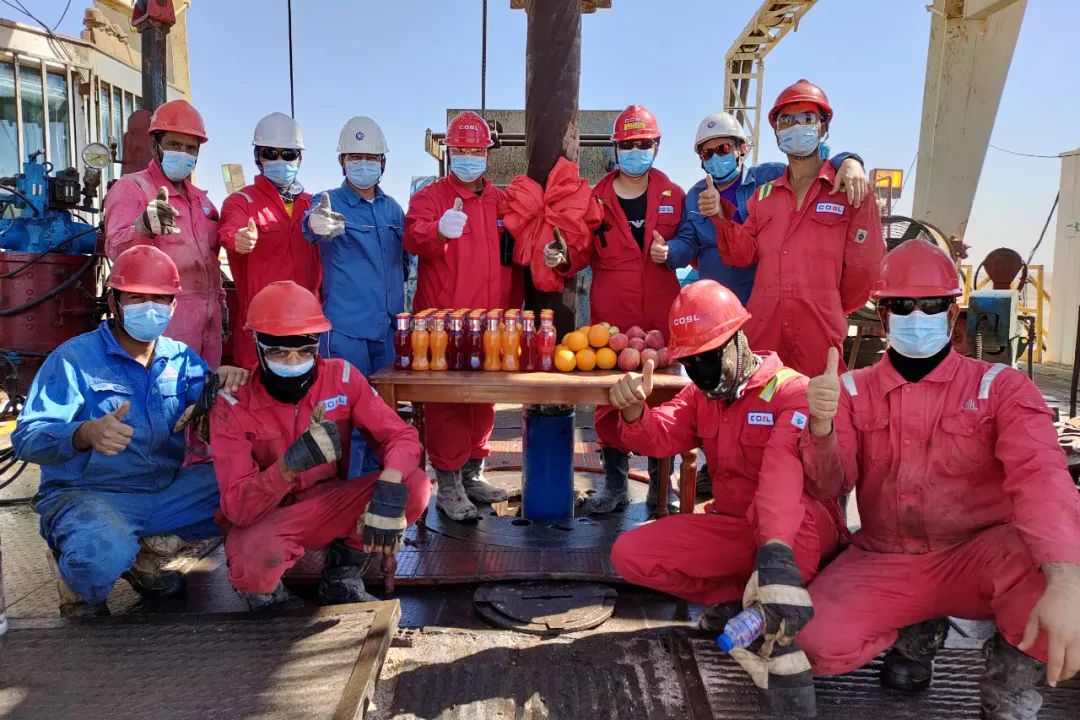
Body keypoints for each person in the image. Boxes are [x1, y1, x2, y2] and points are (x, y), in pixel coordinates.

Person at [798, 239, 1080, 719]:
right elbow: (828, 487)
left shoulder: (1001, 388)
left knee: (1057, 586)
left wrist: (1067, 581)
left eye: (931, 305)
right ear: (882, 317)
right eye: (901, 305)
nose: (917, 316)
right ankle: (918, 630)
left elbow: (1042, 478)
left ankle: (1009, 684)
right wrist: (821, 429)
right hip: (887, 556)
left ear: (952, 315)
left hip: (981, 556)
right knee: (811, 643)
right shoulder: (850, 390)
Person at [608, 280, 840, 715]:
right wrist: (635, 412)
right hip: (735, 528)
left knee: (817, 628)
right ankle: (742, 600)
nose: (700, 370)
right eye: (690, 362)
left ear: (738, 340)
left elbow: (801, 481)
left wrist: (823, 429)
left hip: (795, 533)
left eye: (708, 357)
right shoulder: (704, 396)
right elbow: (661, 434)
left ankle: (775, 606)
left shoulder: (792, 392)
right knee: (630, 554)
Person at [11, 246, 247, 616]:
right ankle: (76, 567)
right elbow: (26, 438)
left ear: (173, 306)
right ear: (114, 302)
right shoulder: (74, 359)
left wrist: (227, 385)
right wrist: (83, 433)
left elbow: (215, 410)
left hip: (165, 490)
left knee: (250, 491)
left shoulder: (181, 359)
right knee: (96, 561)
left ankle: (146, 553)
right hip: (91, 495)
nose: (149, 308)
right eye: (136, 297)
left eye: (160, 299)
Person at [661, 111, 868, 499]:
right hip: (718, 318)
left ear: (742, 150)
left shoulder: (767, 179)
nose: (716, 158)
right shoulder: (694, 196)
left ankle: (817, 481)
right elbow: (688, 242)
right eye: (707, 153)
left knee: (798, 393)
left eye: (723, 148)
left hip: (764, 305)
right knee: (727, 394)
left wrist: (849, 160)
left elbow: (815, 165)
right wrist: (669, 252)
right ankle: (719, 468)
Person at [209, 281, 430, 611]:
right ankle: (266, 595)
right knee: (251, 564)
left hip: (331, 501)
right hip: (272, 513)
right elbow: (237, 508)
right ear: (257, 345)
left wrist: (389, 482)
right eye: (279, 351)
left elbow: (401, 437)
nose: (293, 360)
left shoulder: (342, 378)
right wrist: (287, 468)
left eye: (305, 350)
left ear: (318, 344)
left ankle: (342, 574)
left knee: (413, 486)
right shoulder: (232, 403)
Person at [544, 104, 684, 515]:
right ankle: (615, 483)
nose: (636, 152)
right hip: (612, 316)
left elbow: (692, 240)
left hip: (662, 314)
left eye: (643, 144)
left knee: (664, 397)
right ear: (615, 148)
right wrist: (562, 258)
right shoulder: (596, 198)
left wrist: (674, 251)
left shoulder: (675, 195)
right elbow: (580, 251)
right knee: (610, 398)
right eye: (628, 145)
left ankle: (663, 485)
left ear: (656, 146)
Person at [701, 80, 885, 378]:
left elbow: (866, 269)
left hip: (819, 336)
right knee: (762, 403)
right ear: (776, 131)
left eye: (807, 118)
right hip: (764, 336)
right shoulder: (765, 196)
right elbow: (741, 254)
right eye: (787, 121)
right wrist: (720, 216)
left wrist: (826, 302)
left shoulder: (848, 192)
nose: (796, 127)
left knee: (818, 404)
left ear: (823, 127)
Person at [403, 111, 519, 521]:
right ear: (450, 153)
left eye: (476, 151)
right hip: (445, 326)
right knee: (447, 406)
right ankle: (449, 484)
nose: (469, 158)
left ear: (489, 155)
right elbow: (411, 235)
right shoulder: (431, 198)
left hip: (492, 323)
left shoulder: (501, 200)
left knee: (483, 402)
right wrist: (436, 230)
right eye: (461, 151)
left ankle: (473, 474)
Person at [303, 116, 406, 477]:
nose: (364, 164)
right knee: (346, 415)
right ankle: (346, 489)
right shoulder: (328, 202)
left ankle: (379, 481)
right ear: (342, 161)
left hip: (387, 329)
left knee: (384, 413)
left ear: (383, 162)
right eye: (355, 157)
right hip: (347, 330)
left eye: (371, 157)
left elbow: (404, 261)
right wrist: (316, 223)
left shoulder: (393, 209)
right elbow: (312, 224)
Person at [104, 99, 224, 367]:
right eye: (174, 145)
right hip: (161, 325)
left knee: (205, 389)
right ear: (154, 145)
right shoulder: (133, 188)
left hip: (209, 330)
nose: (183, 153)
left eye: (190, 148)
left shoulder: (202, 202)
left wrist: (221, 309)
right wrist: (143, 227)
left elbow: (212, 263)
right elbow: (114, 248)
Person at [219, 112, 321, 371]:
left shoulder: (313, 204)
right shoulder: (241, 202)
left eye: (288, 154)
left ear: (299, 158)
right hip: (260, 330)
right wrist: (239, 238)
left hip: (307, 327)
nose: (280, 160)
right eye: (270, 153)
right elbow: (229, 230)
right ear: (258, 158)